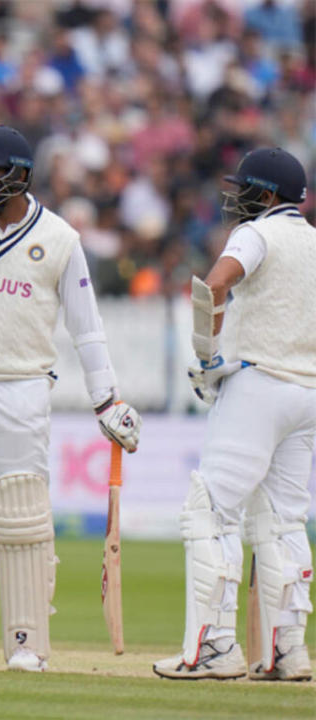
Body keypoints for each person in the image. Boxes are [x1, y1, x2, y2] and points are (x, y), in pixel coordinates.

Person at [0, 125, 141, 672]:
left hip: (21, 387)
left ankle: (26, 642)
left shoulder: (60, 239)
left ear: (18, 176)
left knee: (21, 516)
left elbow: (87, 328)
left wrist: (106, 399)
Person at [154, 148, 314, 681]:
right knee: (283, 520)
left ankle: (213, 648)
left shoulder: (257, 232)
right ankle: (287, 652)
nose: (237, 199)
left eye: (245, 189)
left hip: (258, 384)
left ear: (267, 196)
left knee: (210, 512)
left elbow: (216, 283)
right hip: (306, 393)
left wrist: (207, 356)